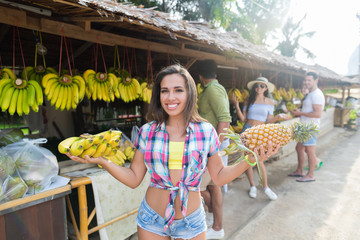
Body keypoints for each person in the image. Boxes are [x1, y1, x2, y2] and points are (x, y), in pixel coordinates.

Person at [66, 64, 280, 240]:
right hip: (152, 220)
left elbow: (219, 176)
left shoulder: (205, 131)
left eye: (178, 90)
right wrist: (103, 161)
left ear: (190, 93)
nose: (171, 97)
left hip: (191, 221)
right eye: (164, 90)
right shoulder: (147, 131)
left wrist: (249, 160)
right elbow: (134, 178)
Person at [229, 76, 290, 201]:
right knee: (248, 161)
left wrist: (278, 117)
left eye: (262, 86)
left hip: (261, 134)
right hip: (247, 131)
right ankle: (252, 186)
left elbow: (268, 120)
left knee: (260, 161)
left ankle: (266, 187)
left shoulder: (270, 102)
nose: (259, 88)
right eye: (257, 85)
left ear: (266, 88)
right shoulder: (248, 101)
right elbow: (242, 119)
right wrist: (236, 104)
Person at [197, 59, 231, 239]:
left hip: (213, 145)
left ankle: (215, 223)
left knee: (198, 185)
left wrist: (214, 149)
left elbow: (224, 119)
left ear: (200, 76)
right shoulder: (213, 89)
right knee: (213, 185)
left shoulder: (212, 90)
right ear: (215, 74)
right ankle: (217, 227)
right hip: (211, 145)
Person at [289, 71, 325, 182]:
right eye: (305, 80)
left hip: (310, 127)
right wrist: (300, 111)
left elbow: (318, 114)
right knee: (299, 148)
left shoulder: (317, 95)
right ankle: (300, 171)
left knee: (310, 151)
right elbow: (309, 110)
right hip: (304, 126)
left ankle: (310, 175)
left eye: (309, 80)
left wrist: (301, 113)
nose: (307, 82)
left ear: (316, 80)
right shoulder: (310, 93)